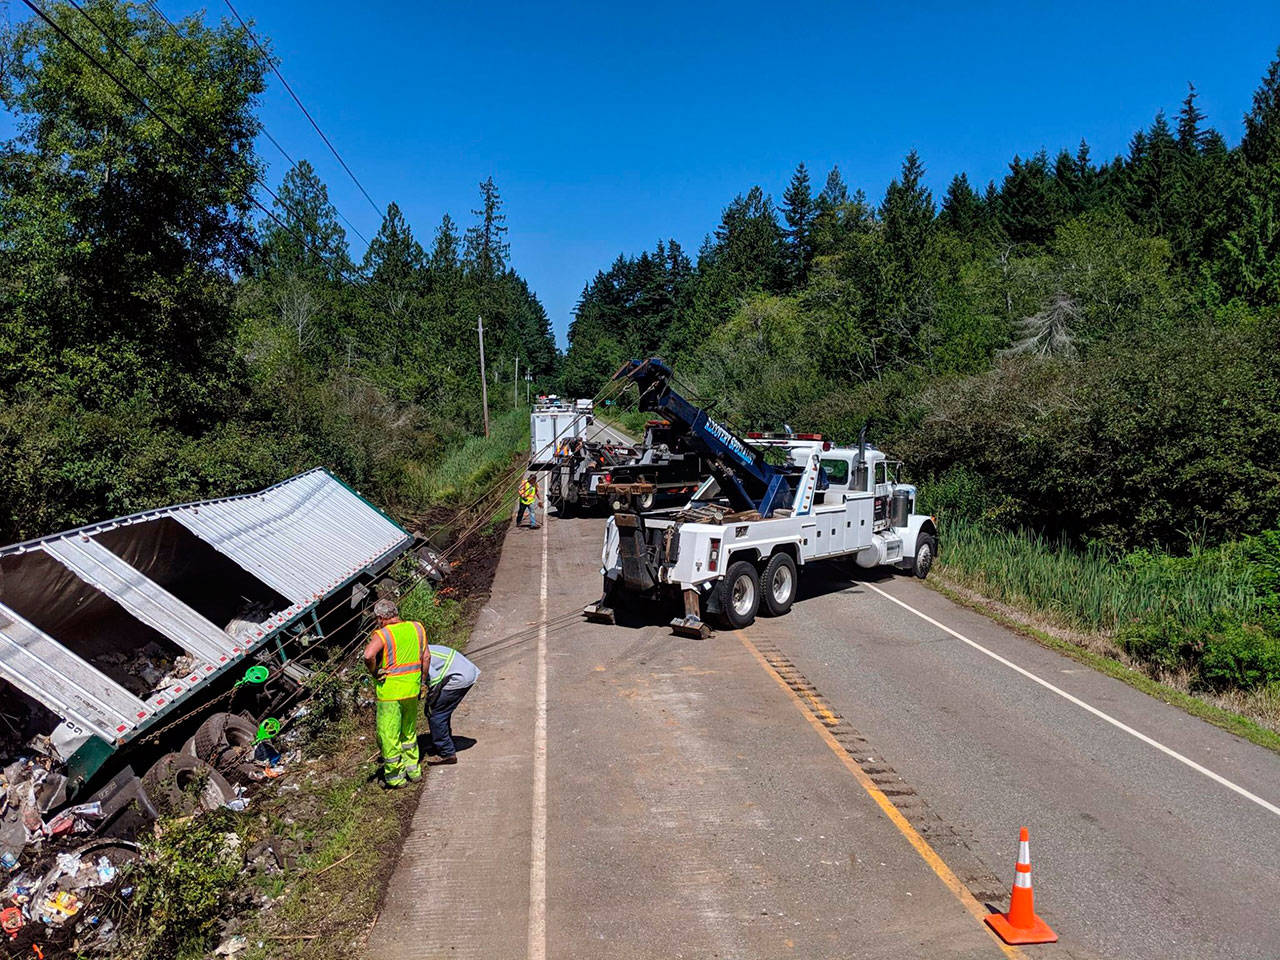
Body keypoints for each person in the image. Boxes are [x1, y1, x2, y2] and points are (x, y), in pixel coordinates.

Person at [363, 598, 425, 788]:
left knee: (389, 734)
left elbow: (368, 655)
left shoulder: (383, 634)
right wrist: (422, 682)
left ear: (381, 618)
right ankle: (414, 770)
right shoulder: (417, 627)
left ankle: (395, 777)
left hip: (390, 693)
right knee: (409, 731)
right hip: (412, 689)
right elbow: (426, 657)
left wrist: (374, 671)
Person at [422, 644, 480, 765]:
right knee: (442, 711)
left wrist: (429, 699)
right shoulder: (415, 647)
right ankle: (441, 742)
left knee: (437, 716)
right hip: (463, 671)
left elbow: (434, 679)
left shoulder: (416, 656)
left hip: (459, 677)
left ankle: (447, 753)